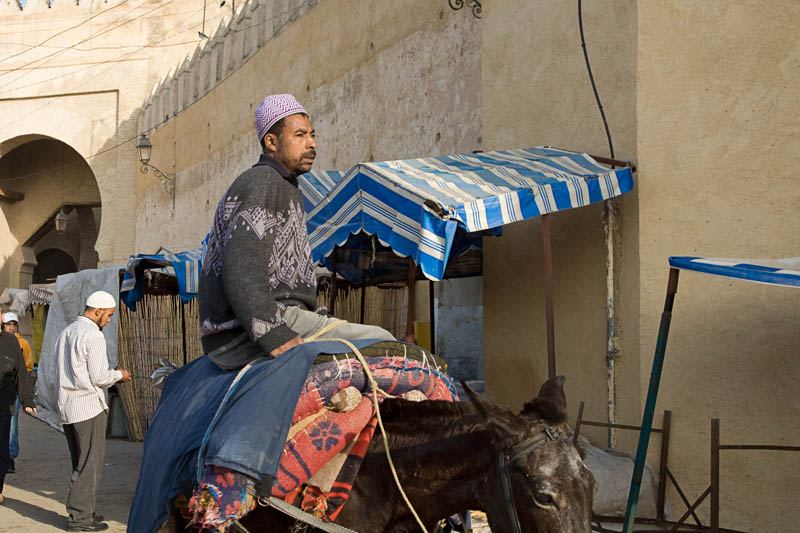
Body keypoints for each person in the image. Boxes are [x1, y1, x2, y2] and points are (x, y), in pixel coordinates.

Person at [199, 93, 395, 370]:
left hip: (279, 319)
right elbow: (241, 269)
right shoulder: (263, 182)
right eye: (300, 135)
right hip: (247, 332)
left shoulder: (283, 186)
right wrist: (273, 334)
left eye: (312, 135)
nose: (312, 143)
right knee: (382, 341)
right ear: (271, 142)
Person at [53, 291, 131, 532]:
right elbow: (99, 377)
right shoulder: (93, 335)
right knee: (89, 465)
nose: (108, 320)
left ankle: (85, 511)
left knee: (81, 462)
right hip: (88, 407)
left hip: (68, 406)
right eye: (108, 315)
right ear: (98, 311)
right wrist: (119, 375)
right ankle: (80, 519)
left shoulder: (66, 332)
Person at [0, 311, 36, 506]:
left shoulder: (12, 342)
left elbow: (21, 372)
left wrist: (27, 400)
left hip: (4, 405)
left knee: (2, 451)